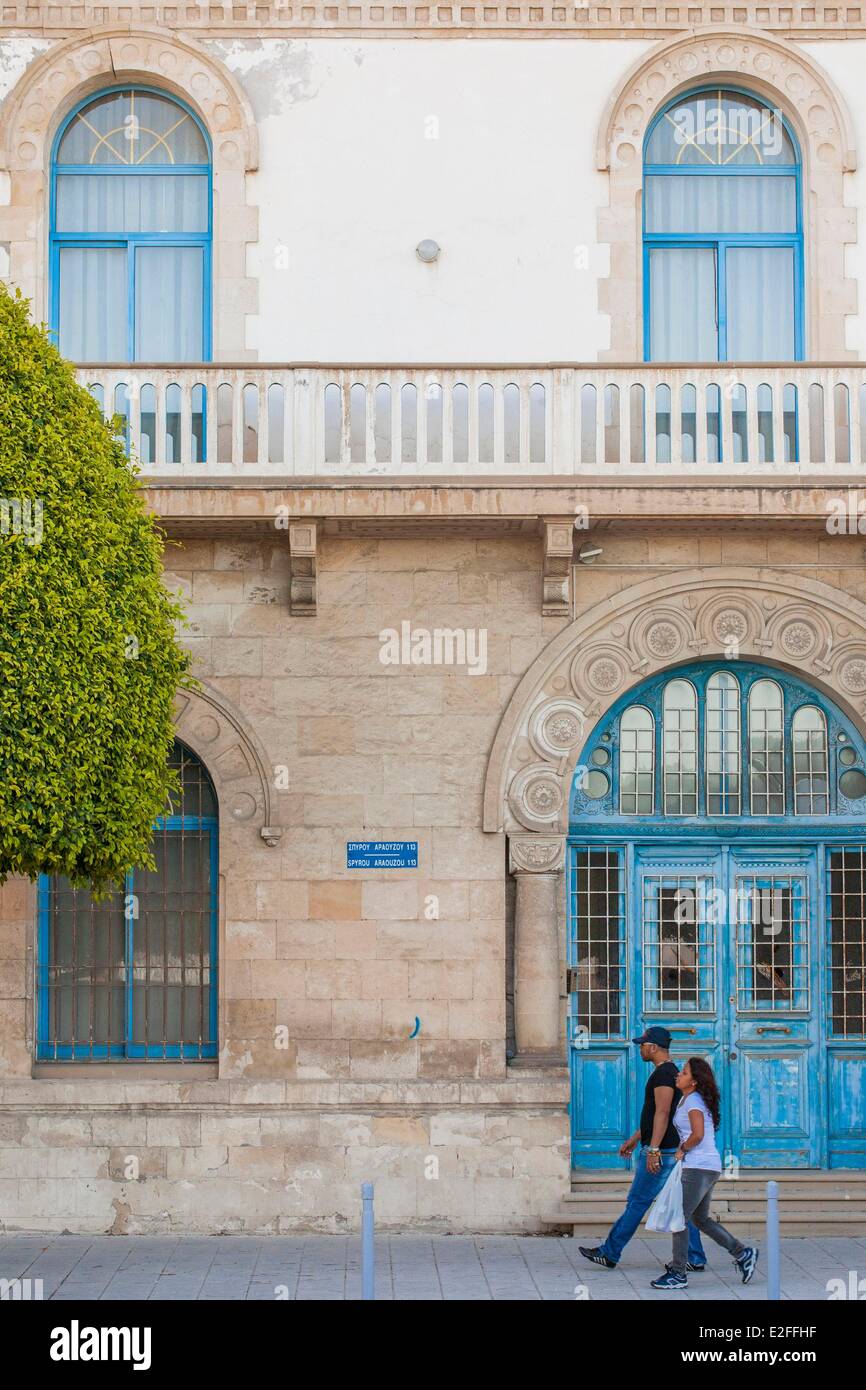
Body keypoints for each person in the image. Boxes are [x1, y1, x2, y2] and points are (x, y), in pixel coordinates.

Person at [578, 1027, 707, 1270]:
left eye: (643, 1045)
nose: (640, 1048)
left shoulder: (664, 1075)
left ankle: (610, 1252)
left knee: (638, 1201)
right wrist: (637, 1137)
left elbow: (663, 1111)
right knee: (680, 1205)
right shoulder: (670, 1073)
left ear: (654, 1047)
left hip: (663, 1152)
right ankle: (695, 1257)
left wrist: (653, 1150)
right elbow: (658, 1115)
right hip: (665, 1149)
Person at [651, 1057, 759, 1290]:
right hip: (705, 1165)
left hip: (698, 1166)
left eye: (685, 1073)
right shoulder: (689, 1099)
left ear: (694, 1082)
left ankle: (678, 1274)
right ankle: (743, 1253)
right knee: (700, 1219)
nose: (678, 1074)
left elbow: (698, 1134)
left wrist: (682, 1149)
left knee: (679, 1217)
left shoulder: (693, 1102)